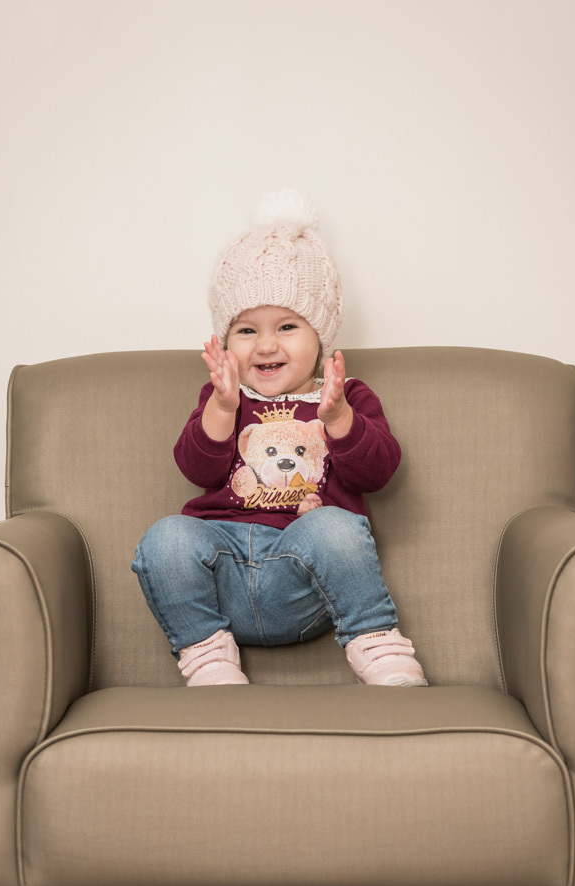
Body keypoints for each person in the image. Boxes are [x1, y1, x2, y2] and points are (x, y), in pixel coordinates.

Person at [131, 188, 428, 688]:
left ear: (322, 336)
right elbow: (195, 468)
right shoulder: (223, 396)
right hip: (222, 574)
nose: (266, 345)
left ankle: (375, 641)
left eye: (287, 326)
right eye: (246, 331)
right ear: (226, 343)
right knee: (165, 537)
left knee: (334, 525)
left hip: (303, 582)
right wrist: (222, 409)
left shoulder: (345, 395)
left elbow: (379, 471)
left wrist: (337, 419)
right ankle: (207, 658)